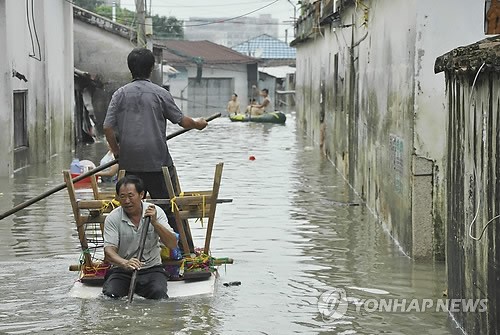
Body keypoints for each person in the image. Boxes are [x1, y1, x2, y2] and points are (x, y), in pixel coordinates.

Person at [103, 47, 207, 233]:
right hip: (159, 164)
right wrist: (198, 124)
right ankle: (183, 249)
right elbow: (183, 121)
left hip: (130, 165)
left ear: (130, 69)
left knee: (129, 208)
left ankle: (130, 247)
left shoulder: (120, 94)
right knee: (171, 206)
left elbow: (107, 128)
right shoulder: (160, 93)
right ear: (151, 69)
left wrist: (118, 152)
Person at [102, 175, 178, 299]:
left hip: (151, 269)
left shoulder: (156, 212)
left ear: (141, 195)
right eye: (122, 197)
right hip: (122, 270)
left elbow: (172, 244)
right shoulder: (113, 218)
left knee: (159, 294)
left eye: (131, 196)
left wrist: (155, 223)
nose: (127, 201)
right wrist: (125, 263)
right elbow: (109, 252)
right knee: (111, 295)